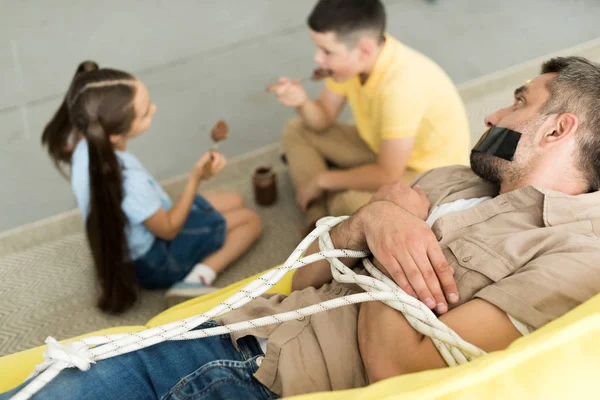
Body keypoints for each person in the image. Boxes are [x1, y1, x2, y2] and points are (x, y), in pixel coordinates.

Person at [5, 56, 600, 400]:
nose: (493, 115)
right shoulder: (454, 178)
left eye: (518, 102)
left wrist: (389, 237)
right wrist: (368, 222)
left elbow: (402, 375)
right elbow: (303, 270)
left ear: (555, 130)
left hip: (260, 374)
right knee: (47, 381)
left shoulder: (572, 252)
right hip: (240, 325)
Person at [40, 61, 262, 313]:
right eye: (145, 112)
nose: (154, 109)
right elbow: (167, 231)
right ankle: (195, 280)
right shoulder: (128, 181)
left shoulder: (85, 141)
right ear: (113, 134)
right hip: (153, 259)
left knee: (233, 200)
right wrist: (194, 179)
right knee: (249, 220)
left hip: (133, 239)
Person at [268, 0, 470, 233]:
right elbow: (322, 119)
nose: (318, 59)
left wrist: (323, 179)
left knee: (349, 203)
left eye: (326, 51)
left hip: (428, 174)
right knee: (297, 129)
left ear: (364, 50)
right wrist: (302, 102)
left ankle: (326, 199)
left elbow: (387, 173)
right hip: (380, 150)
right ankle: (317, 216)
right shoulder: (349, 64)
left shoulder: (402, 85)